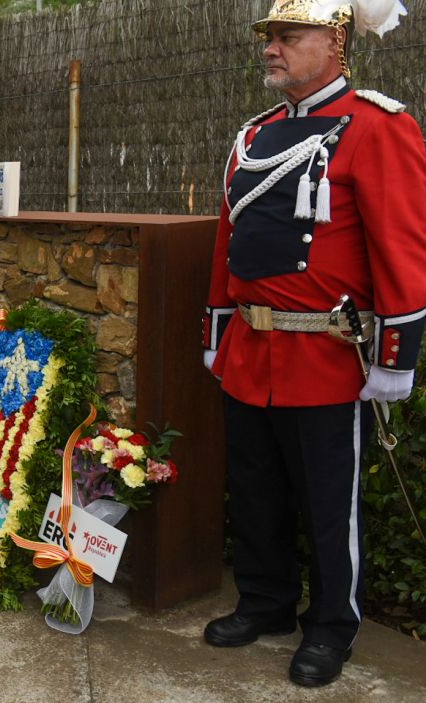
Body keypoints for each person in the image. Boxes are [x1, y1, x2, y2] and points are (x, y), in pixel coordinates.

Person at [202, 0, 426, 687]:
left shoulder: (378, 127)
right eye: (268, 36)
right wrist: (218, 332)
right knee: (256, 489)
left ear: (334, 42)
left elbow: (403, 248)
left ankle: (332, 625)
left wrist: (394, 359)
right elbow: (227, 244)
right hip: (252, 349)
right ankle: (266, 601)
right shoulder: (254, 134)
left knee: (329, 502)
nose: (271, 48)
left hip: (326, 354)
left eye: (287, 36)